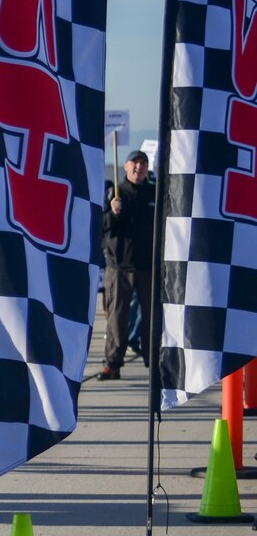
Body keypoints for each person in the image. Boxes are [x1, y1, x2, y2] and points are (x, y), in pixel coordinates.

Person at [97, 151, 156, 381]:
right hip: (119, 267)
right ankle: (112, 365)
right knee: (116, 319)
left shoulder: (154, 193)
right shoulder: (115, 192)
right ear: (126, 166)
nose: (138, 168)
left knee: (152, 318)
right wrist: (112, 212)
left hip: (148, 267)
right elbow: (100, 226)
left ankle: (155, 365)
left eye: (143, 164)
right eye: (135, 163)